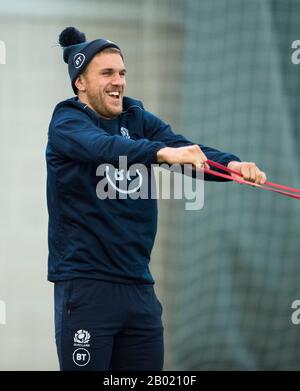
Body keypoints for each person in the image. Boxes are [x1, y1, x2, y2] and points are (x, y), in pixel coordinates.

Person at [46, 27, 266, 371]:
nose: (118, 81)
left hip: (138, 289)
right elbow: (105, 147)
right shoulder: (67, 121)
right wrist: (163, 154)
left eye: (122, 73)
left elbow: (186, 149)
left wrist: (233, 165)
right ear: (81, 83)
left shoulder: (135, 117)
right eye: (107, 73)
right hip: (87, 286)